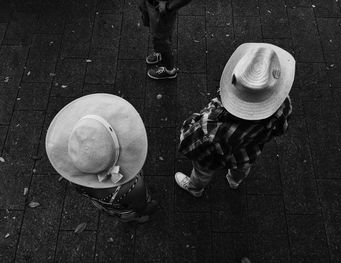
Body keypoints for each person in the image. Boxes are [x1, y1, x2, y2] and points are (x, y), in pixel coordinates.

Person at [175, 43, 295, 197]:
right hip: (247, 153)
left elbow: (187, 142)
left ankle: (195, 189)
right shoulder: (283, 105)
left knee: (202, 172)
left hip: (214, 157)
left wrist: (193, 121)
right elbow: (281, 129)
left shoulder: (213, 125)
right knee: (242, 168)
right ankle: (234, 181)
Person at [46, 93, 157, 223]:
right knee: (140, 214)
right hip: (128, 207)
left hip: (107, 206)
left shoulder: (75, 179)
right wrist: (148, 208)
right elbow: (141, 206)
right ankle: (139, 219)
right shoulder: (135, 186)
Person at [139, 0, 192, 80]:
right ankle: (159, 52)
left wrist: (168, 6)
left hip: (161, 8)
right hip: (150, 4)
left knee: (162, 40)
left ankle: (169, 70)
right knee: (155, 31)